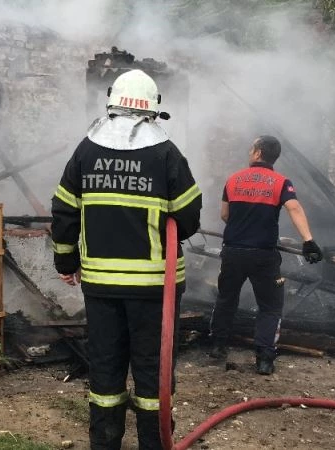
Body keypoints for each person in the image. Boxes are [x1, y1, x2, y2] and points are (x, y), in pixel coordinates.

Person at [51, 69, 202, 450]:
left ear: (112, 102)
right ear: (153, 108)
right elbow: (189, 216)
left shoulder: (86, 151)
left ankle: (105, 443)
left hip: (102, 286)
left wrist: (66, 263)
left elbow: (64, 209)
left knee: (105, 369)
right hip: (155, 288)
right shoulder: (166, 153)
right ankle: (154, 443)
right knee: (153, 373)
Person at [209, 135, 322, 375]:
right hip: (263, 255)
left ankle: (218, 345)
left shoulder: (233, 179)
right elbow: (294, 207)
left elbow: (225, 215)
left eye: (252, 148)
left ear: (259, 153)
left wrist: (242, 225)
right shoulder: (281, 182)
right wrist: (308, 241)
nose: (249, 151)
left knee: (226, 298)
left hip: (233, 252)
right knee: (270, 306)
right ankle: (264, 359)